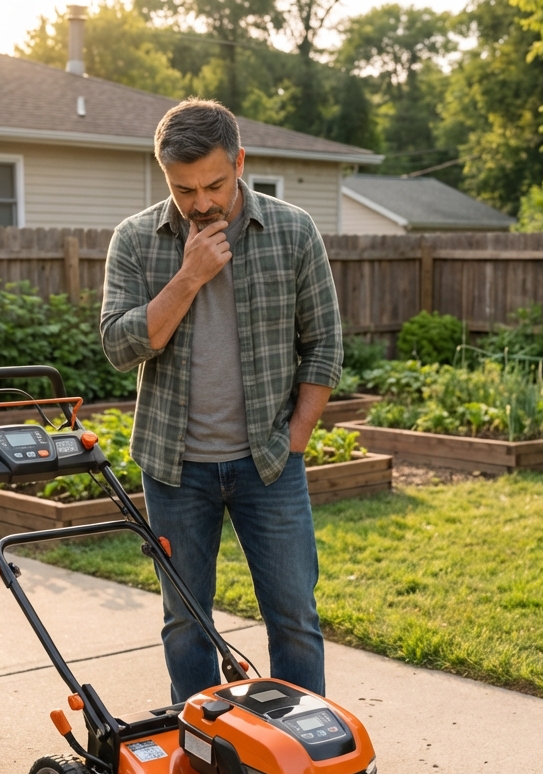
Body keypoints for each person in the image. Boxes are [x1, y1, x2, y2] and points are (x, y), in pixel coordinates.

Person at [101, 99, 342, 704]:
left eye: (213, 183)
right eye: (184, 190)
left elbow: (325, 346)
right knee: (186, 622)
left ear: (239, 162)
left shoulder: (293, 230)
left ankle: (302, 757)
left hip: (269, 463)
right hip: (176, 471)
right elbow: (121, 347)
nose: (201, 202)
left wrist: (295, 442)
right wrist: (188, 276)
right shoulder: (135, 240)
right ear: (165, 177)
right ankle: (202, 747)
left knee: (294, 619)